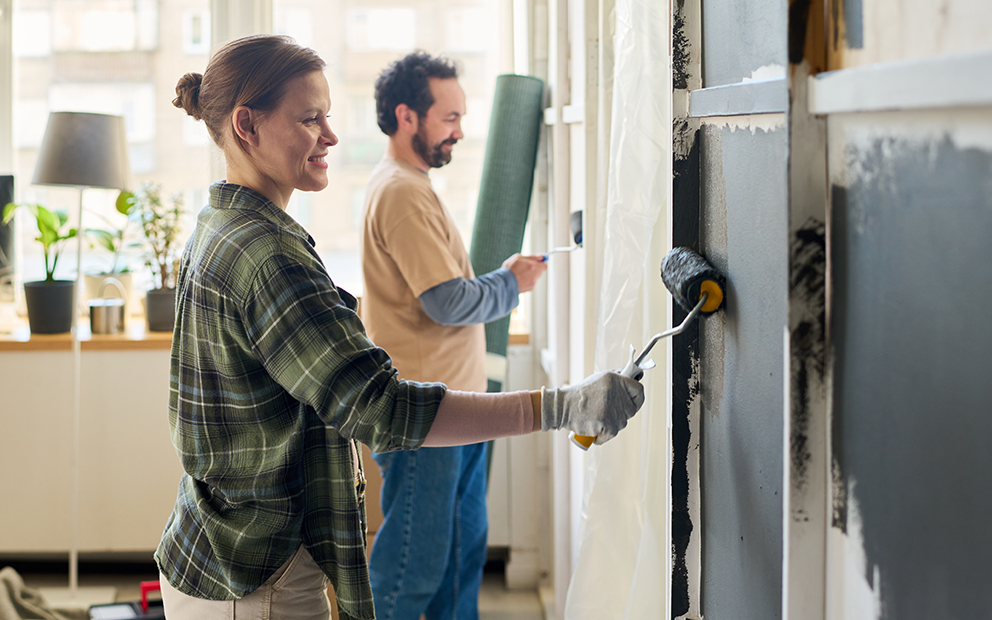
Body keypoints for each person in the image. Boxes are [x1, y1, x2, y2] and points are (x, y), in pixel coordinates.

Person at [156, 34, 644, 620]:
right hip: (258, 580)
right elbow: (384, 405)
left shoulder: (224, 225)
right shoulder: (271, 256)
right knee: (411, 576)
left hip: (230, 553)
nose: (331, 136)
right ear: (246, 126)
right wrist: (563, 406)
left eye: (328, 116)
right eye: (311, 119)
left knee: (449, 564)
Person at [360, 51, 547, 620]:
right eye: (449, 118)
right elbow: (445, 302)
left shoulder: (411, 184)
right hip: (425, 416)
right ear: (406, 116)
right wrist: (511, 284)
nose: (460, 133)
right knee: (412, 569)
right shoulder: (401, 193)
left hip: (455, 409)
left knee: (461, 554)